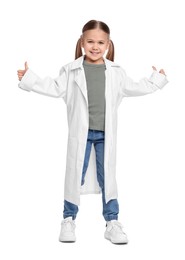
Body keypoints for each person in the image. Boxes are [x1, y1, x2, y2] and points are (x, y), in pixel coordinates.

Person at [17, 19, 168, 244]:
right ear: (82, 42)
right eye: (90, 42)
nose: (95, 47)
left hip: (105, 134)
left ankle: (112, 222)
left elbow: (135, 86)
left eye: (100, 42)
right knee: (74, 175)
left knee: (108, 177)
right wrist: (30, 78)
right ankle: (68, 219)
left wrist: (156, 80)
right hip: (82, 134)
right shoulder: (71, 70)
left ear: (108, 44)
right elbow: (54, 87)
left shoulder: (116, 72)